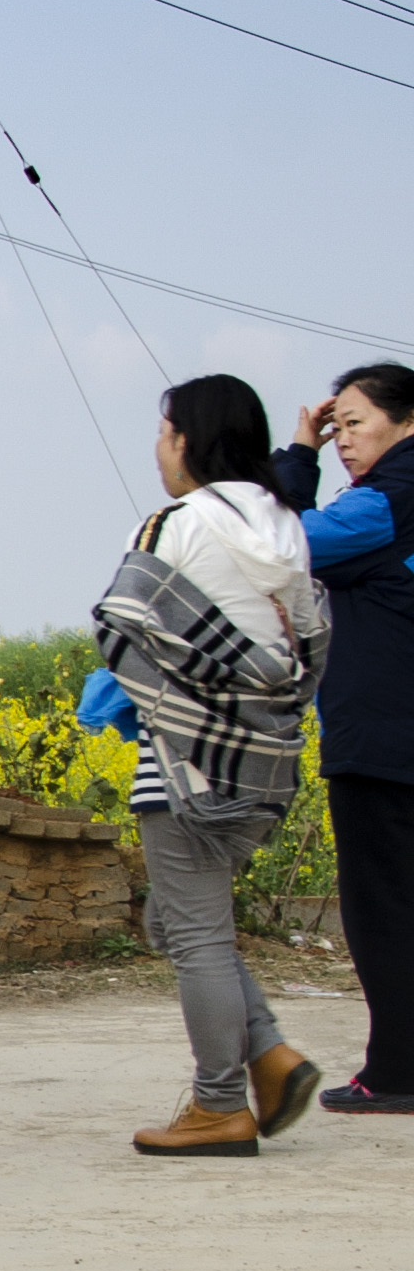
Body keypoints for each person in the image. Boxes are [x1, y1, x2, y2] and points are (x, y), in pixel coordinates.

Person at [80, 374, 328, 1157]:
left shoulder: (174, 525)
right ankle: (271, 1056)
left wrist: (156, 702)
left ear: (186, 438)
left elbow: (122, 627)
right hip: (263, 764)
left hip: (185, 765)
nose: (159, 447)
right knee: (181, 922)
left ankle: (221, 1103)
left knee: (195, 939)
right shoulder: (285, 524)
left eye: (163, 432)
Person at [271, 361, 411, 1111]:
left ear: (408, 421)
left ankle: (396, 1075)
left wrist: (300, 453)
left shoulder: (386, 504)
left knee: (384, 909)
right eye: (336, 425)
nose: (343, 439)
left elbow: (279, 545)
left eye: (354, 423)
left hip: (386, 742)